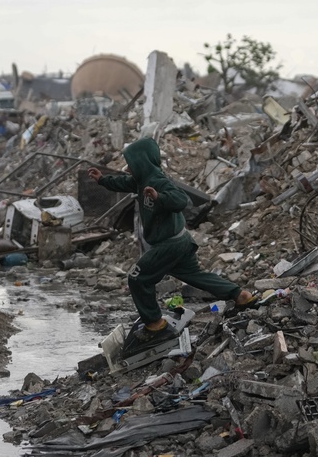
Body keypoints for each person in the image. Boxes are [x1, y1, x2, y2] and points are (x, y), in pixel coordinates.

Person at [87, 137, 254, 345]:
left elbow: (181, 200)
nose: (128, 167)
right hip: (181, 240)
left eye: (131, 162)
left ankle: (155, 325)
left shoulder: (157, 180)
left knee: (138, 278)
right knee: (195, 275)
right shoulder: (142, 179)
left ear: (142, 161)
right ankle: (240, 295)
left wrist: (159, 197)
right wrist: (102, 180)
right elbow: (124, 182)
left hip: (170, 244)